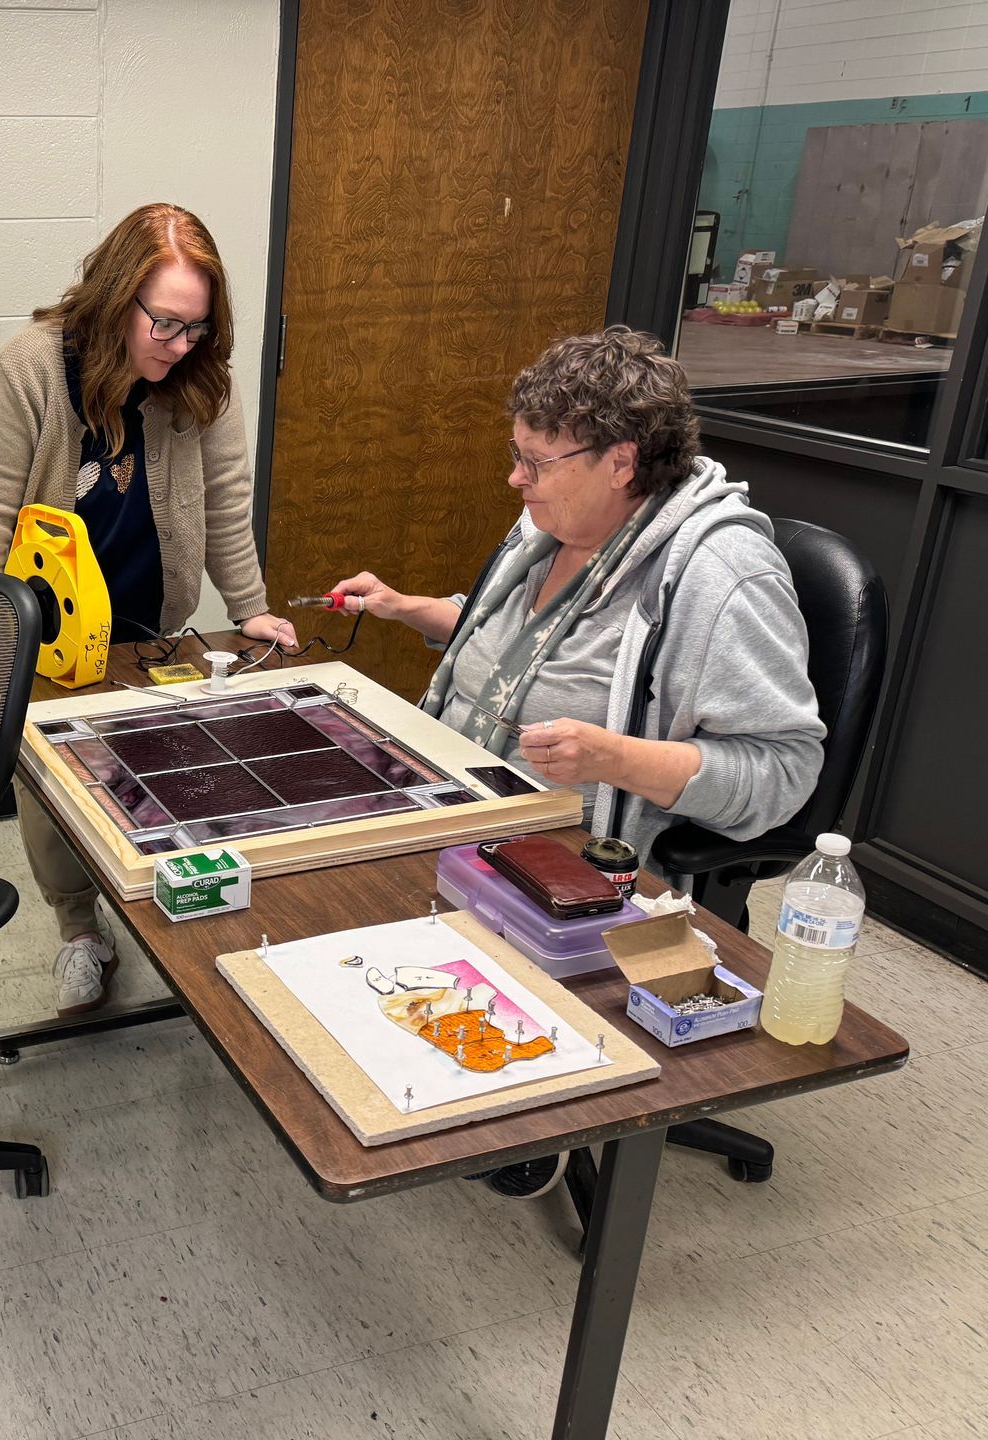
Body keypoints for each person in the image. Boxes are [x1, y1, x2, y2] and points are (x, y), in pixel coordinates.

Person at [330, 326, 825, 1198]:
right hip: (463, 792)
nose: (513, 479)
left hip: (567, 852)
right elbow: (521, 645)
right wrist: (415, 608)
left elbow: (785, 771)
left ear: (621, 462)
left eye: (533, 460)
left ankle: (534, 1097)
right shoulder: (556, 526)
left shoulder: (722, 576)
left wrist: (616, 758)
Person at [0, 202, 295, 1017]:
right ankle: (80, 934)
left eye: (198, 328)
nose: (180, 347)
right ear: (115, 299)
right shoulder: (27, 371)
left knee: (164, 776)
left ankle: (177, 922)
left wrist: (250, 607)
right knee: (54, 800)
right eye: (166, 325)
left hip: (149, 617)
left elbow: (224, 497)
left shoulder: (199, 378)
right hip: (48, 632)